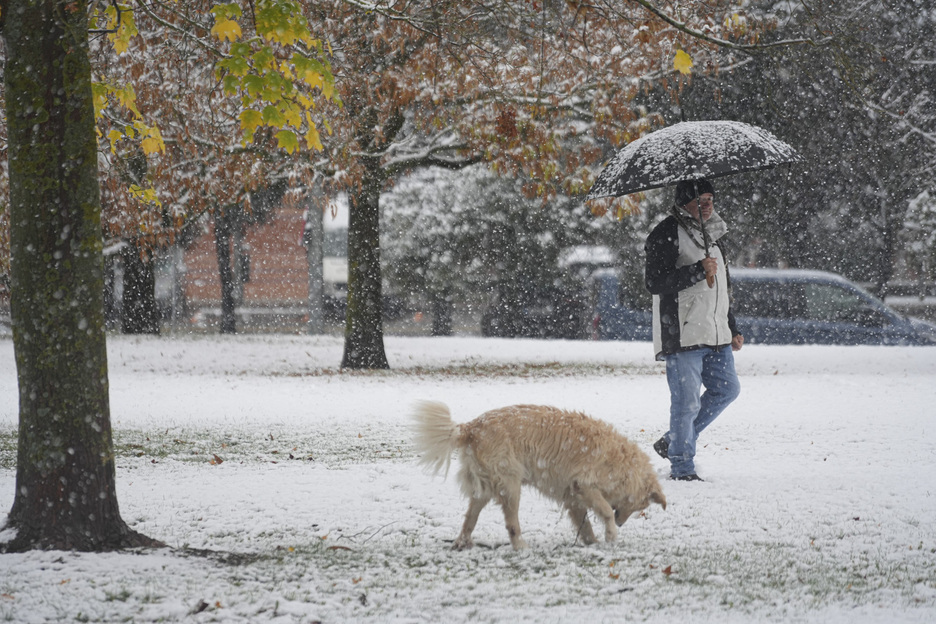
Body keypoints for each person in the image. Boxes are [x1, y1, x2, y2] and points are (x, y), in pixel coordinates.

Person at [644, 178, 743, 482]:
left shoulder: (714, 235)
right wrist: (697, 270)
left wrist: (732, 326)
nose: (707, 205)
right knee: (686, 403)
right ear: (683, 203)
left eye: (711, 199)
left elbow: (722, 289)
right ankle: (682, 467)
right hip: (683, 334)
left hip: (717, 336)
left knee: (727, 389)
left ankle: (673, 439)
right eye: (700, 200)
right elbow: (655, 283)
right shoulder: (665, 234)